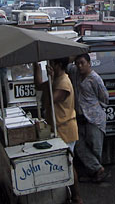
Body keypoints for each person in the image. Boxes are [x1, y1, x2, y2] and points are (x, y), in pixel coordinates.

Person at [34, 58, 82, 204]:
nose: (50, 66)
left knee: (67, 164)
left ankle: (76, 197)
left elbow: (47, 101)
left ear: (58, 65)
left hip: (65, 129)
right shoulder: (56, 79)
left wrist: (51, 79)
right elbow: (38, 86)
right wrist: (35, 66)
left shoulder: (63, 82)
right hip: (56, 128)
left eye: (52, 64)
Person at [73, 53, 109, 183]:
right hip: (81, 118)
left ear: (89, 63)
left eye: (82, 63)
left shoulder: (95, 79)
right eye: (78, 64)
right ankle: (97, 169)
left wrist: (94, 108)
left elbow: (105, 98)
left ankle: (95, 173)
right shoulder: (76, 75)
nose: (80, 66)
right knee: (79, 145)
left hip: (95, 119)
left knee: (95, 147)